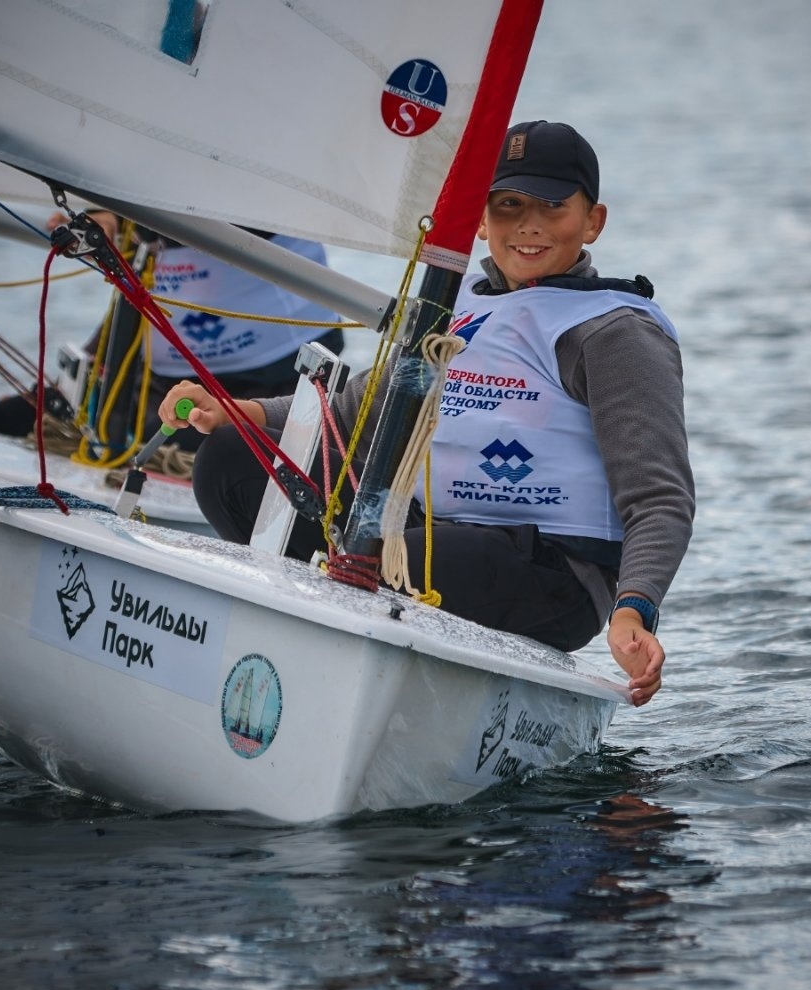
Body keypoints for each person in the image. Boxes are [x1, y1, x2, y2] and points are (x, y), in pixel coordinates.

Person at [158, 120, 694, 706]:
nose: (529, 224)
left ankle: (338, 664)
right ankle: (298, 659)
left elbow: (659, 498)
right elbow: (356, 408)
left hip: (552, 573)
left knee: (392, 561)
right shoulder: (452, 301)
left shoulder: (614, 333)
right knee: (230, 462)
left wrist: (633, 609)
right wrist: (241, 412)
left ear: (593, 221)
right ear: (481, 219)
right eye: (509, 205)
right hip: (423, 538)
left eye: (552, 206)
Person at [0, 211, 344, 444]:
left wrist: (121, 218)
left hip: (269, 378)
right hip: (149, 378)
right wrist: (106, 216)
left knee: (211, 448)